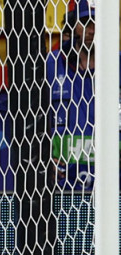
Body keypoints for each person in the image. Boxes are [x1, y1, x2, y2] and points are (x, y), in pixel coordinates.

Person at [46, 0, 97, 189]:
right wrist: (38, 157)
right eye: (86, 22)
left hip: (110, 186)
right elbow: (15, 112)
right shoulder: (50, 65)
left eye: (98, 23)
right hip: (61, 186)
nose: (92, 30)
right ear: (74, 24)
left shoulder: (117, 68)